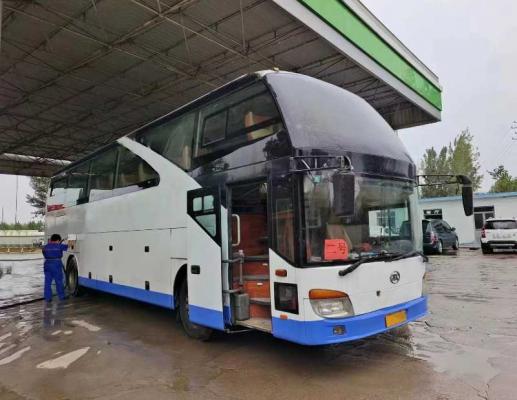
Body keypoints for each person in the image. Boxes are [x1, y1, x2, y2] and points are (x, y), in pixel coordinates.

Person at [42, 234, 68, 303]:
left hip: (47, 264)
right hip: (56, 264)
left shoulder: (45, 247)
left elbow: (44, 254)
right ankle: (61, 296)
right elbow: (69, 246)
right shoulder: (59, 246)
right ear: (58, 240)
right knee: (58, 281)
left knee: (47, 282)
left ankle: (48, 298)